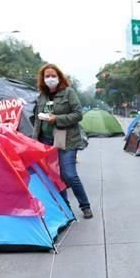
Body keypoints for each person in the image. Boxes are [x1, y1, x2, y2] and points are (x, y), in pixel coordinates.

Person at [32, 63, 92, 219]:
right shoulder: (42, 96)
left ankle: (85, 206)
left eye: (53, 76)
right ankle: (66, 208)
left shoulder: (68, 93)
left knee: (69, 174)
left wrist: (57, 119)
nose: (50, 79)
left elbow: (78, 114)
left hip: (67, 139)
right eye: (47, 76)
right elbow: (38, 121)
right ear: (42, 79)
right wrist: (34, 141)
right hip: (46, 140)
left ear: (59, 77)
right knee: (54, 176)